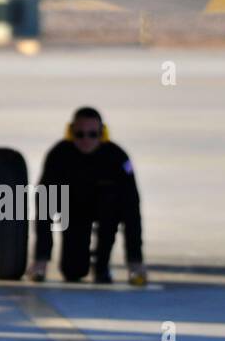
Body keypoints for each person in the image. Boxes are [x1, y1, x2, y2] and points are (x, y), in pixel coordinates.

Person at [29, 107, 147, 286]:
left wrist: (135, 262)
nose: (86, 139)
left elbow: (132, 208)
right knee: (73, 271)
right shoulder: (58, 156)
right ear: (70, 132)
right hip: (73, 211)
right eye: (80, 134)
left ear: (102, 133)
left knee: (113, 204)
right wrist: (41, 259)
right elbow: (45, 205)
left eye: (93, 134)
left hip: (107, 213)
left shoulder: (117, 157)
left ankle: (102, 264)